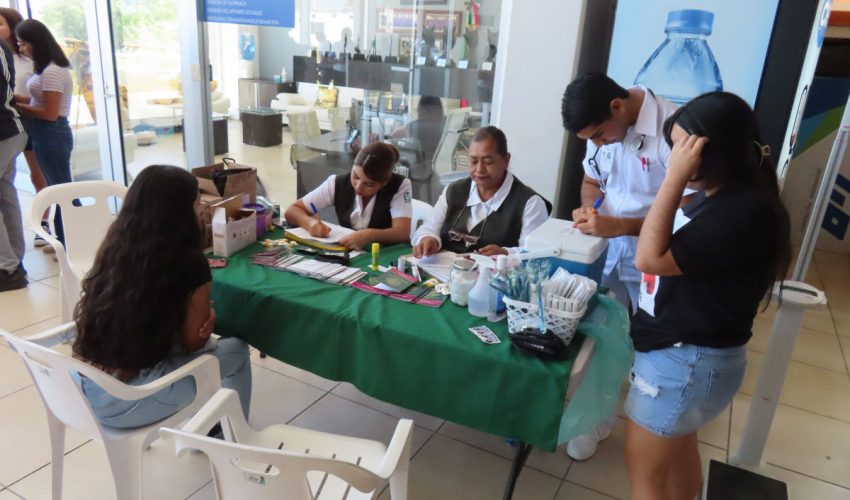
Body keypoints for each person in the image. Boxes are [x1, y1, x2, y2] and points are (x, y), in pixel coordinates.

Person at [626, 92, 790, 500]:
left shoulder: (741, 211)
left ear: (716, 152)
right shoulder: (723, 196)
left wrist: (672, 177)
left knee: (646, 477)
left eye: (686, 149)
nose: (676, 157)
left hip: (685, 361)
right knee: (680, 453)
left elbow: (650, 256)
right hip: (694, 356)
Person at [72, 165, 252, 428]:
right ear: (181, 211)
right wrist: (208, 321)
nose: (201, 207)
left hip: (83, 390)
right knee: (235, 350)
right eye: (197, 201)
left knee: (178, 348)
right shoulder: (188, 263)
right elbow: (193, 344)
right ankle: (232, 438)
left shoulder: (115, 245)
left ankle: (207, 424)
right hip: (129, 401)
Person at [560, 72, 680, 460]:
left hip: (654, 261)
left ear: (617, 107)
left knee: (638, 346)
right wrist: (588, 207)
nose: (597, 143)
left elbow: (688, 215)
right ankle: (592, 415)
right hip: (606, 252)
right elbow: (592, 181)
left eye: (598, 134)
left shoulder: (672, 131)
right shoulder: (603, 135)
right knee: (597, 333)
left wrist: (622, 226)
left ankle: (624, 419)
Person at [412, 126, 550, 257]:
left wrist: (505, 253)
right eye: (473, 161)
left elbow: (533, 254)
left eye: (488, 162)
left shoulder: (530, 203)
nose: (479, 169)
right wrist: (429, 239)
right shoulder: (454, 191)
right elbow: (429, 227)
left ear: (506, 160)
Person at [285, 141, 412, 250]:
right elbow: (292, 211)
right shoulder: (337, 183)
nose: (358, 187)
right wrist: (310, 223)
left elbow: (402, 232)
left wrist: (369, 235)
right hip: (347, 255)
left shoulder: (399, 185)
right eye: (355, 177)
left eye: (369, 184)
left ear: (384, 182)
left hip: (383, 255)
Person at [14, 19, 73, 245]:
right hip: (45, 132)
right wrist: (21, 100)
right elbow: (41, 99)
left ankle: (72, 241)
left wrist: (20, 107)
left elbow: (50, 113)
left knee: (63, 192)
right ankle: (65, 240)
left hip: (52, 133)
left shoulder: (53, 71)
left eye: (24, 44)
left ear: (37, 42)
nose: (21, 49)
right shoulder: (45, 69)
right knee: (58, 189)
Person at [0, 8, 48, 251]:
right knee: (7, 188)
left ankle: (46, 224)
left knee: (39, 173)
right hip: (14, 121)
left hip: (26, 122)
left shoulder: (25, 57)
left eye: (1, 24)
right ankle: (13, 252)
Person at [0, 22, 27, 292]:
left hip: (5, 133)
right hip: (10, 131)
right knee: (6, 195)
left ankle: (7, 267)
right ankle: (13, 261)